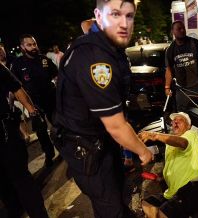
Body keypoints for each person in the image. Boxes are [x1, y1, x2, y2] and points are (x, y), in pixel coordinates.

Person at [54, 0, 153, 217]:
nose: (124, 23)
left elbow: (86, 24)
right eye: (115, 15)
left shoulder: (100, 40)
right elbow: (116, 126)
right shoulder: (97, 60)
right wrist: (143, 151)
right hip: (85, 145)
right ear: (99, 17)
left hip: (97, 140)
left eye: (129, 16)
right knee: (113, 210)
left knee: (115, 198)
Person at [0, 63, 49, 218]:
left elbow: (16, 89)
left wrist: (33, 112)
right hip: (6, 132)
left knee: (19, 181)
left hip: (5, 133)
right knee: (14, 184)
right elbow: (17, 89)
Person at [139, 112, 198, 218]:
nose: (175, 122)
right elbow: (175, 165)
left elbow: (183, 143)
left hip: (193, 185)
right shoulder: (170, 144)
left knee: (162, 213)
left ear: (188, 126)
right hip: (173, 191)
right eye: (173, 121)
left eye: (180, 120)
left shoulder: (190, 135)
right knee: (147, 203)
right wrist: (162, 178)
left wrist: (153, 135)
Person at [11, 34, 57, 167]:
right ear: (22, 47)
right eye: (29, 45)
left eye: (34, 44)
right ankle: (49, 154)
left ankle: (66, 150)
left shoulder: (44, 60)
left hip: (51, 100)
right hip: (34, 104)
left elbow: (57, 75)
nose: (33, 47)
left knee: (59, 126)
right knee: (41, 131)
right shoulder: (17, 64)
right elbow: (15, 86)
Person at [165, 21, 198, 112]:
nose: (182, 30)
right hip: (181, 90)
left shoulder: (195, 44)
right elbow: (168, 70)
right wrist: (167, 87)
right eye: (179, 29)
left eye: (183, 28)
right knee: (183, 116)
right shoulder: (170, 50)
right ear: (173, 32)